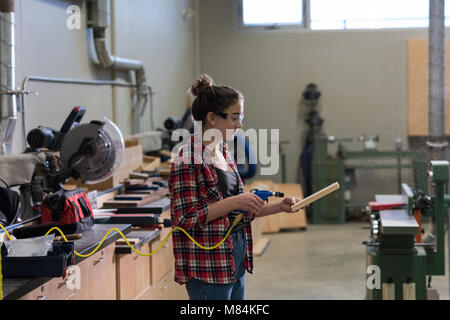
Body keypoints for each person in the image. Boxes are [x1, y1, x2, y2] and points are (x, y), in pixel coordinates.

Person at [168, 74, 301, 300]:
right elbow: (185, 218)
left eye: (241, 116)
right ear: (211, 117)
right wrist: (236, 201)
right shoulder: (189, 157)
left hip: (234, 258)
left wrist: (279, 207)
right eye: (234, 117)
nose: (240, 124)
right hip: (208, 266)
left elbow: (238, 213)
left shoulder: (224, 153)